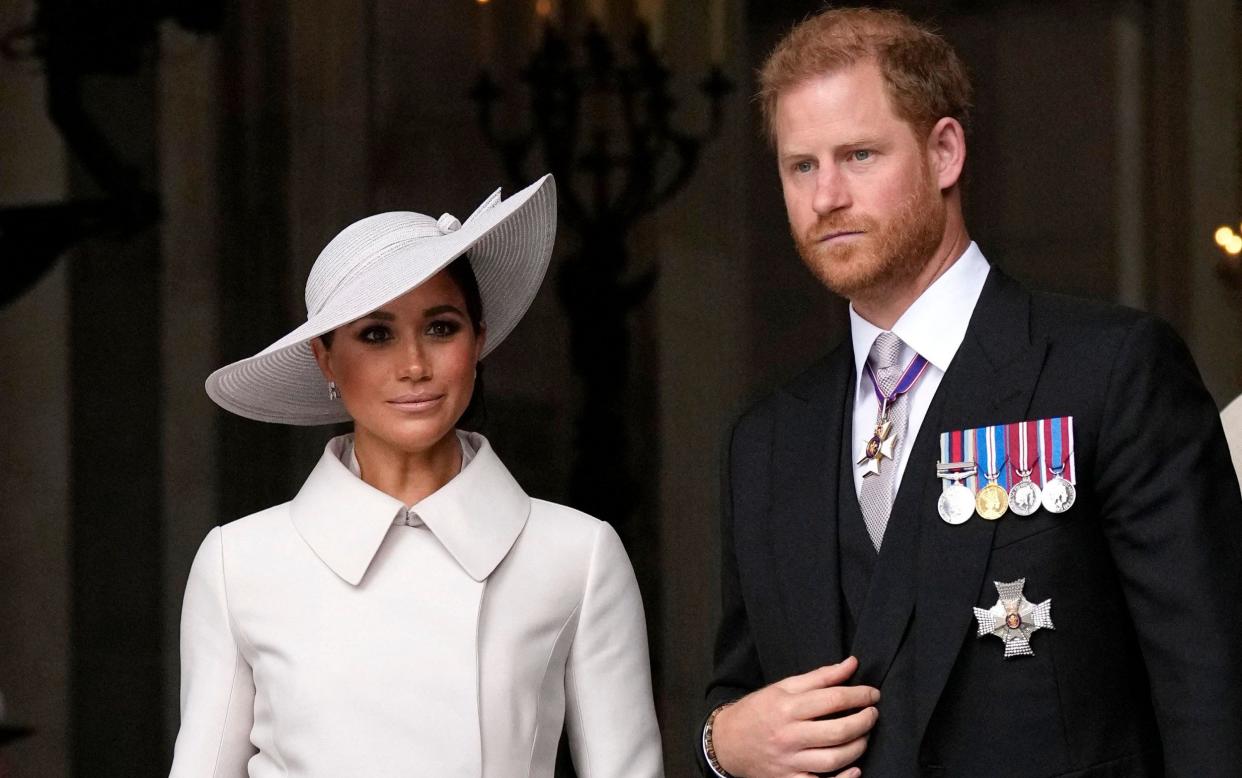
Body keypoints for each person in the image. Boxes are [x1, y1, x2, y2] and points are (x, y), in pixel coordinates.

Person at [699, 8, 1242, 778]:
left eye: (859, 154)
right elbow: (742, 694)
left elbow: (1211, 692)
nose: (826, 197)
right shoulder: (763, 442)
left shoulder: (1111, 372)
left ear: (944, 151)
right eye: (801, 166)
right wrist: (719, 745)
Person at [170, 175, 664, 777]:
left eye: (441, 327)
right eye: (376, 334)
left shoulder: (578, 555)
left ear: (477, 341)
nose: (413, 366)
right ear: (325, 358)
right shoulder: (237, 564)